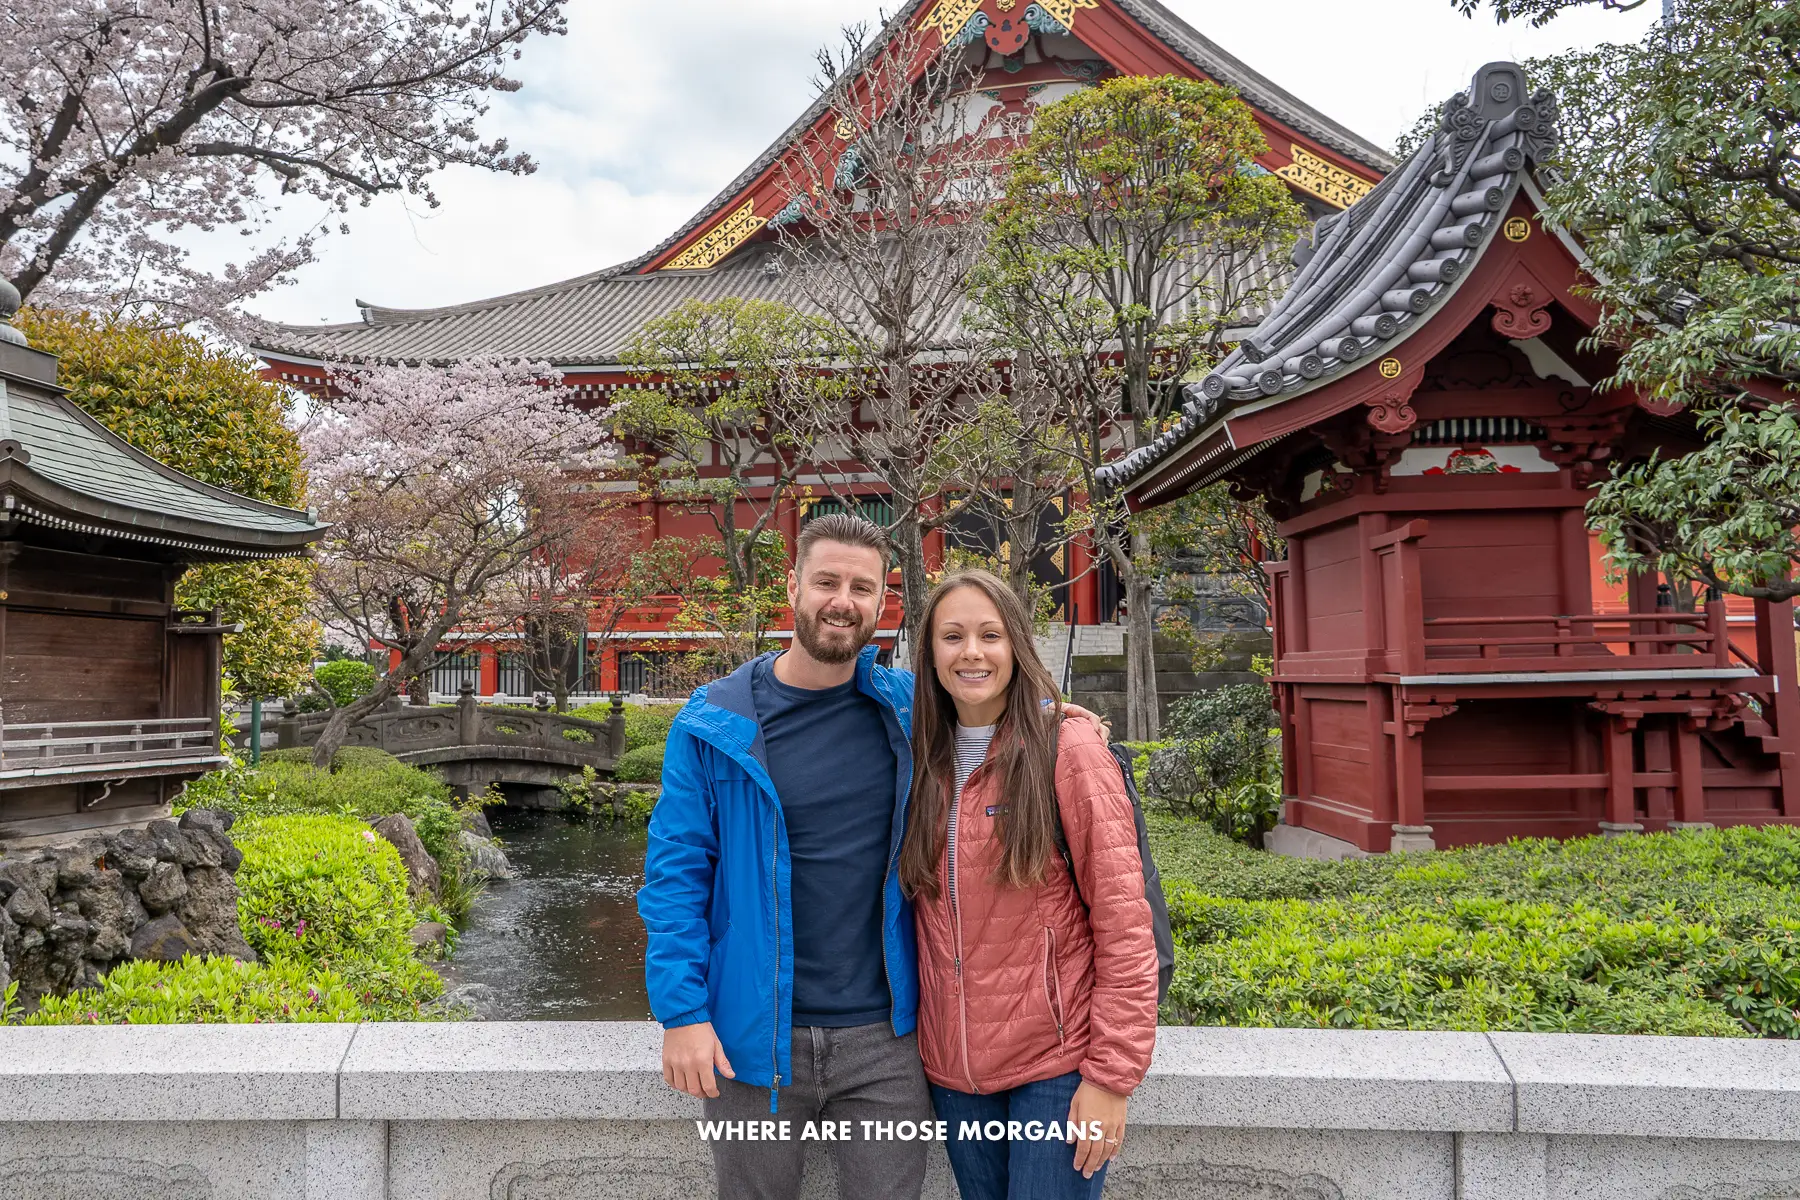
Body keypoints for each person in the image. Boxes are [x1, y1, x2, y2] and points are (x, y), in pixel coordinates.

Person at [638, 516, 1106, 1200]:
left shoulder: (908, 709)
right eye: (827, 581)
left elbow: (990, 698)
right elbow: (675, 878)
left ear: (883, 603)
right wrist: (682, 1013)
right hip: (753, 1039)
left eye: (863, 587)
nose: (842, 600)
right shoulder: (714, 724)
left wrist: (1054, 712)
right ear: (793, 586)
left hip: (886, 1042)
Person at [900, 569, 1158, 1200]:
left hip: (1057, 1063)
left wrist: (1111, 1077)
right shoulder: (915, 756)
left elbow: (1125, 922)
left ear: (1017, 644)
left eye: (991, 635)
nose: (972, 653)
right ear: (928, 651)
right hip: (956, 1070)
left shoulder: (1068, 749)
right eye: (952, 635)